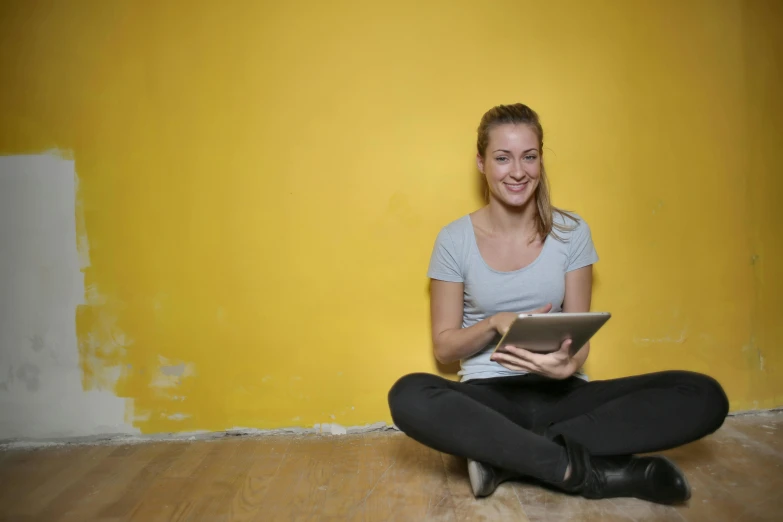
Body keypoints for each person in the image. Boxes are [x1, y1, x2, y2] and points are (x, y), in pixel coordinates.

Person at [387, 103, 729, 505]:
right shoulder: (454, 239)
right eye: (503, 158)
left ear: (541, 159)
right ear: (481, 162)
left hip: (566, 399)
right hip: (488, 400)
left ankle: (508, 458)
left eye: (529, 157)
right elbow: (444, 349)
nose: (518, 171)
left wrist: (570, 363)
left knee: (703, 394)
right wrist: (494, 323)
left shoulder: (572, 232)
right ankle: (586, 472)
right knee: (407, 394)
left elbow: (578, 337)